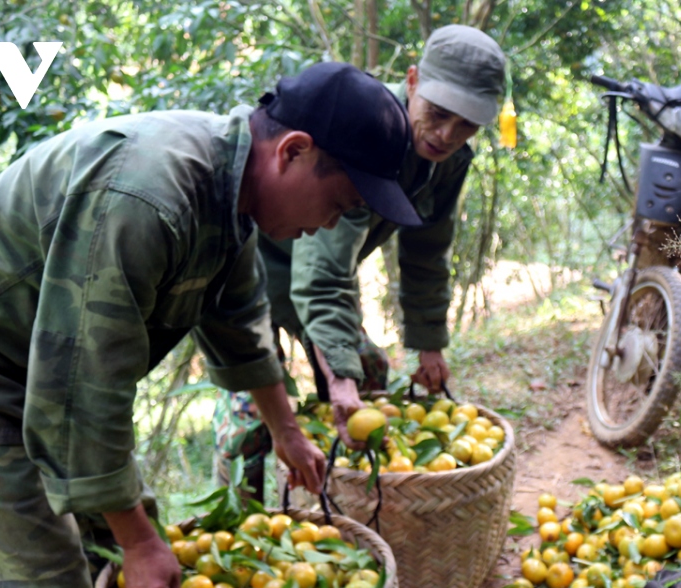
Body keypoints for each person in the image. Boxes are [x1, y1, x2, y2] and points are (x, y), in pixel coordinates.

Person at [0, 62, 420, 588]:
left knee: (132, 548)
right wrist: (137, 541)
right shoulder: (147, 197)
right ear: (293, 151)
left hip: (47, 362)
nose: (331, 225)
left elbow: (240, 330)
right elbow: (82, 388)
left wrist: (288, 434)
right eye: (341, 204)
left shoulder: (232, 196)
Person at [217, 25, 506, 481]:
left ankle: (352, 497)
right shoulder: (368, 133)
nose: (447, 134)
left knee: (370, 375)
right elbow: (322, 272)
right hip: (251, 272)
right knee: (253, 410)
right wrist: (338, 375)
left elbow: (427, 251)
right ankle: (238, 521)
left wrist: (429, 342)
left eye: (466, 123)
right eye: (437, 113)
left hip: (310, 273)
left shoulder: (446, 161)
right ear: (412, 82)